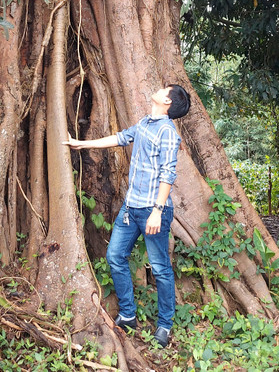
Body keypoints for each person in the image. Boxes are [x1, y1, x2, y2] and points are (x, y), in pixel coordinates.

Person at [64, 84, 191, 348]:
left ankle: (165, 326)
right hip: (131, 207)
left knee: (160, 268)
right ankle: (128, 314)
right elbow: (121, 138)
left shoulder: (168, 132)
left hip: (153, 210)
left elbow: (168, 174)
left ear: (167, 100)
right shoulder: (145, 122)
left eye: (164, 88)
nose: (157, 88)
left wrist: (157, 211)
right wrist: (81, 143)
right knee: (114, 256)